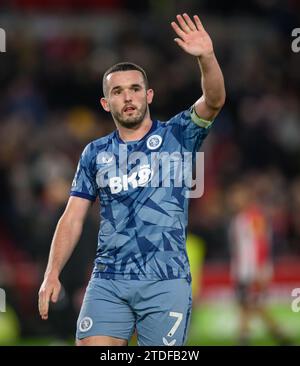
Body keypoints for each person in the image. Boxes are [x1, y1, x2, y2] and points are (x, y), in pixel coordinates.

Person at [38, 13, 225, 346]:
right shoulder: (94, 153)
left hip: (165, 281)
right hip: (109, 280)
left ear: (149, 95)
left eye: (136, 89)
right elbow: (73, 216)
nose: (128, 97)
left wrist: (206, 58)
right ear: (105, 102)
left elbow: (213, 101)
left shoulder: (178, 135)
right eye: (119, 91)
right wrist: (52, 272)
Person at [228, 181, 290, 345]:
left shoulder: (254, 217)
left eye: (237, 196)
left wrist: (261, 269)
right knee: (248, 305)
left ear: (245, 198)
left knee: (252, 304)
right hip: (242, 270)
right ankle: (276, 334)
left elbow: (261, 243)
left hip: (253, 271)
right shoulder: (239, 218)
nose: (234, 200)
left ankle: (254, 336)